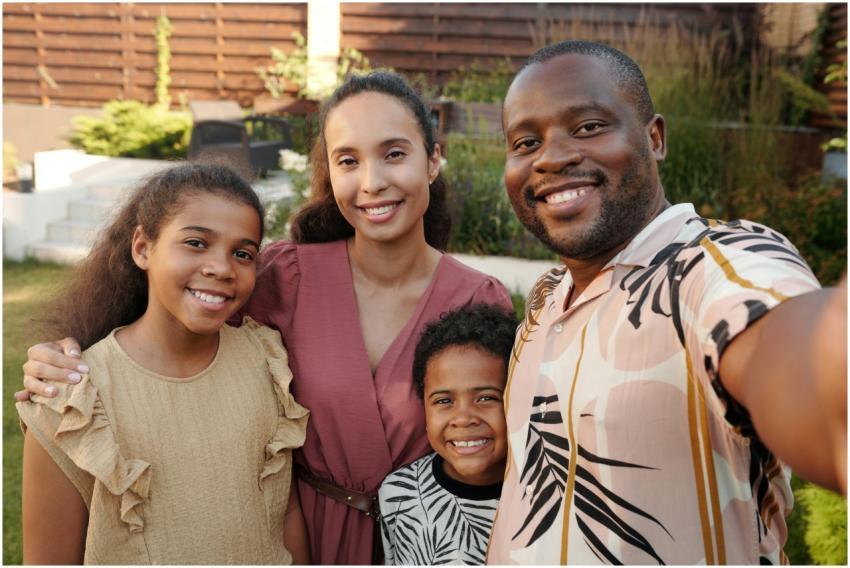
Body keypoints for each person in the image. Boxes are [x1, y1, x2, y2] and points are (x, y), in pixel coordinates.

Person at [17, 72, 513, 565]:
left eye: (394, 153)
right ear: (330, 174)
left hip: (426, 542)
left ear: (433, 160)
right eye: (348, 160)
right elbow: (177, 322)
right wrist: (65, 366)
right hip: (296, 534)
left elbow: (503, 443)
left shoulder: (478, 300)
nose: (372, 181)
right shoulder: (285, 276)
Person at [486, 40, 847, 564]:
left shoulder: (711, 268)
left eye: (588, 127)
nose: (551, 157)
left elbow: (791, 353)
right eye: (524, 142)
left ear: (654, 138)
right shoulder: (545, 300)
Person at [16, 164, 310, 564]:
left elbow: (284, 509)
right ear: (142, 248)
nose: (221, 268)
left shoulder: (266, 360)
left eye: (242, 253)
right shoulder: (70, 401)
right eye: (195, 243)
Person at [379, 303, 517, 565]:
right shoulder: (398, 494)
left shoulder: (545, 495)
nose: (464, 419)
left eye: (486, 398)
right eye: (444, 401)